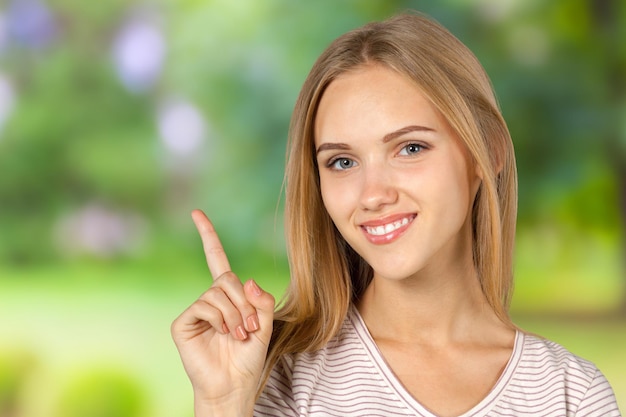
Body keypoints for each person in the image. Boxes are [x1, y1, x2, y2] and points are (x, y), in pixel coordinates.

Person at [171, 12, 621, 417]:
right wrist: (221, 404)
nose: (373, 195)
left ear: (487, 154)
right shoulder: (277, 379)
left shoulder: (570, 395)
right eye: (342, 161)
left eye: (410, 148)